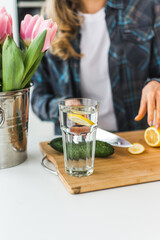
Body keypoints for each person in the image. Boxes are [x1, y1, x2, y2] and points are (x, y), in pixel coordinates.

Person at [31, 0, 160, 135]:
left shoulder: (147, 6)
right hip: (77, 143)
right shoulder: (48, 23)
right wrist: (63, 108)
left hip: (136, 138)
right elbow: (37, 97)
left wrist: (156, 83)